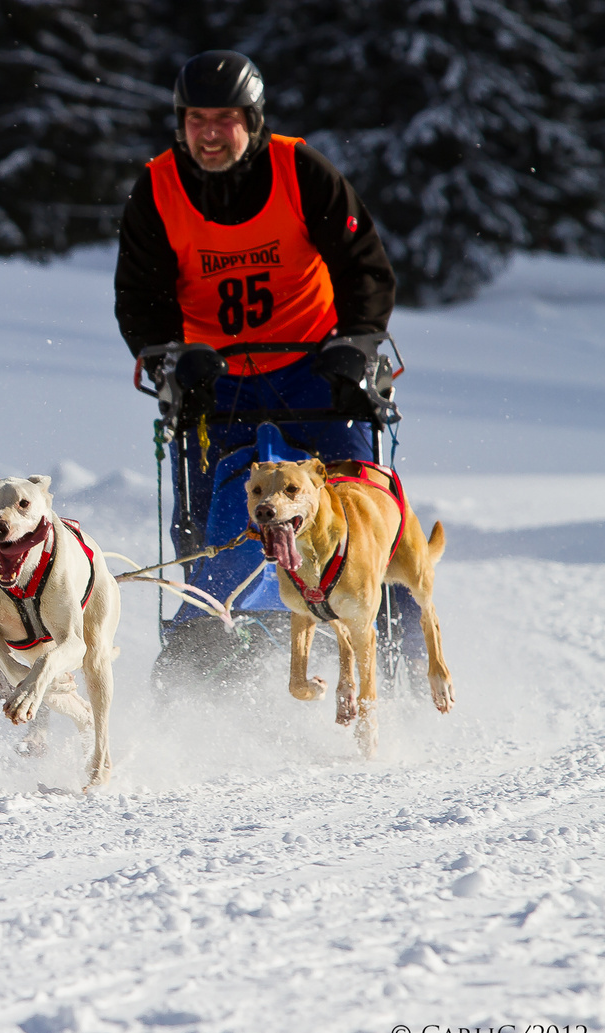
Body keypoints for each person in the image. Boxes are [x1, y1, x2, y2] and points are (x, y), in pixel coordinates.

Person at [114, 50, 417, 670]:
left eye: (225, 118)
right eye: (196, 118)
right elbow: (139, 295)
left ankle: (399, 649)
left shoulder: (300, 168)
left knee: (363, 513)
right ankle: (206, 650)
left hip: (316, 371)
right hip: (216, 381)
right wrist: (172, 360)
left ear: (252, 121)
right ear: (180, 123)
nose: (210, 132)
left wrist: (356, 344)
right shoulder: (158, 187)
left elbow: (364, 265)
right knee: (210, 528)